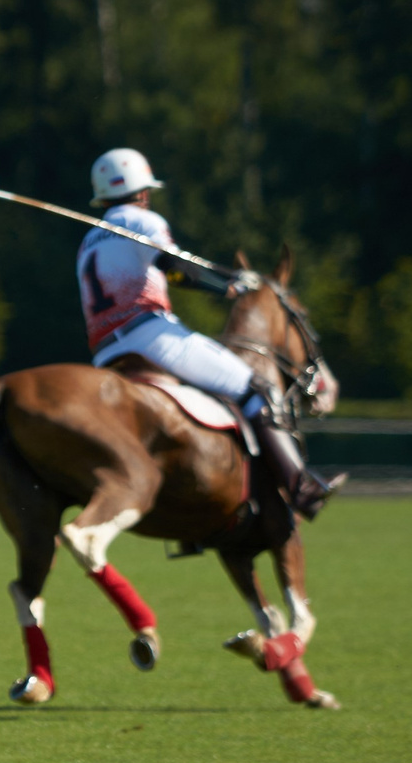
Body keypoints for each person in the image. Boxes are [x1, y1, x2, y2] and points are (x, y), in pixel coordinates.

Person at [77, 147, 337, 519]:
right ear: (145, 191)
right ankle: (301, 487)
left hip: (103, 351)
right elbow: (177, 269)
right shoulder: (145, 222)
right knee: (257, 389)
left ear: (102, 196)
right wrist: (226, 287)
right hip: (150, 336)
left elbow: (181, 265)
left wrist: (228, 276)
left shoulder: (88, 241)